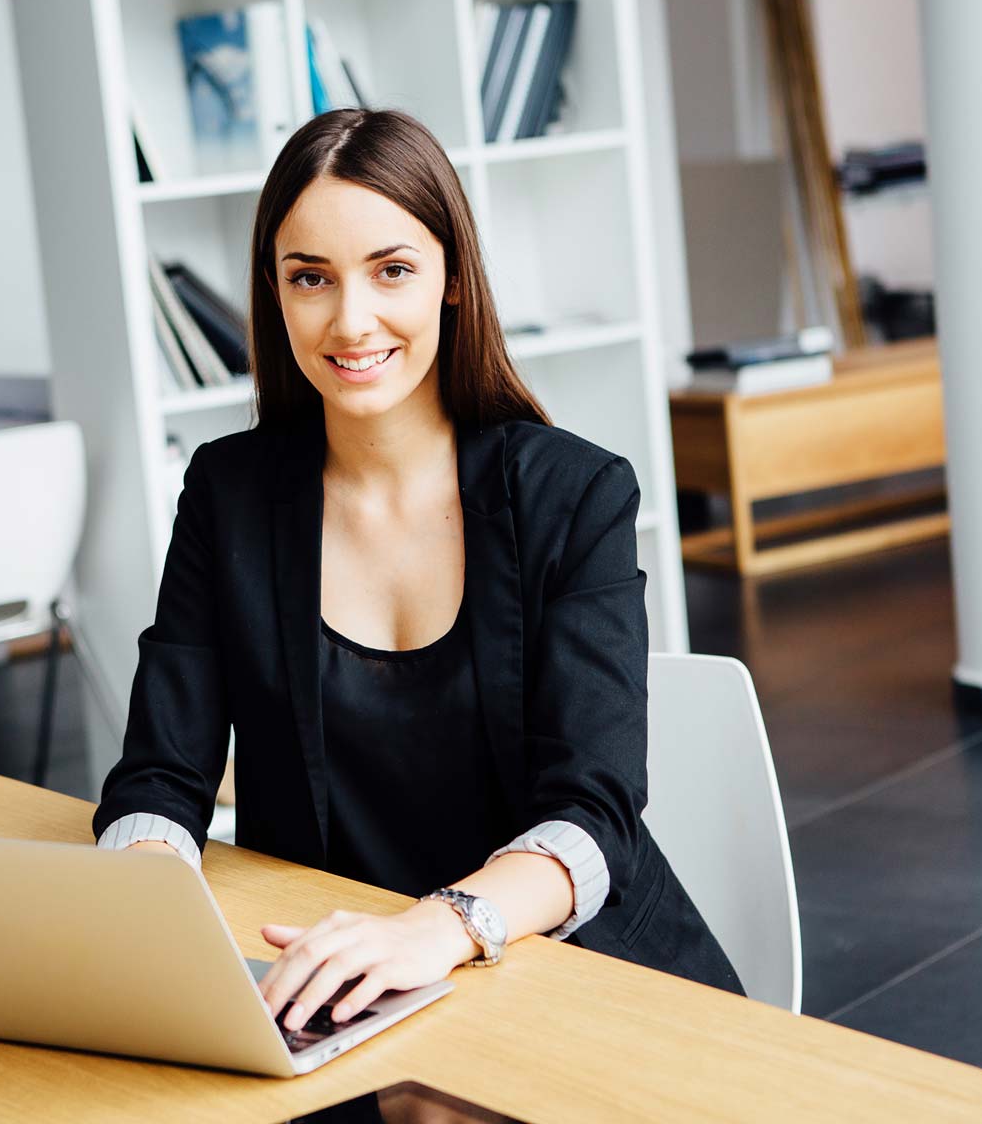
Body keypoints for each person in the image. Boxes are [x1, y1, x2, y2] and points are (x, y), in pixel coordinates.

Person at [92, 108, 742, 1035]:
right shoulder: (227, 492)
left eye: (391, 270)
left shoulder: (574, 495)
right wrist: (145, 896)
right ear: (274, 294)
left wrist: (439, 928)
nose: (350, 321)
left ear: (450, 281)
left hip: (569, 971)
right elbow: (160, 773)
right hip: (341, 983)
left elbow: (594, 819)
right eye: (309, 278)